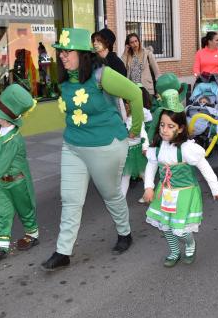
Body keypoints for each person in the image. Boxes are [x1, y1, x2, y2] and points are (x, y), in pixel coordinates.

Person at [42, 28, 144, 271]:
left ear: (83, 54)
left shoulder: (102, 75)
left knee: (110, 194)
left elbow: (135, 94)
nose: (63, 57)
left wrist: (136, 129)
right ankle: (63, 250)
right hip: (73, 146)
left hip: (105, 145)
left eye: (68, 52)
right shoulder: (65, 79)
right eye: (61, 53)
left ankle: (124, 233)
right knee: (70, 199)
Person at [142, 89, 218, 267]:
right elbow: (151, 165)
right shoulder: (157, 148)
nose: (164, 130)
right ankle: (173, 251)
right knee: (166, 227)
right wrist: (148, 186)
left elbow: (205, 167)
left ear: (180, 128)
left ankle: (190, 244)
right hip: (165, 192)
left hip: (185, 193)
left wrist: (216, 188)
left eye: (170, 126)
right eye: (162, 125)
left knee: (179, 229)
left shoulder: (187, 148)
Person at [0, 84, 39, 263]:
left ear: (4, 117)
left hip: (17, 182)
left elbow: (3, 164)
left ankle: (32, 233)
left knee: (25, 209)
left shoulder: (14, 139)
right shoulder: (3, 132)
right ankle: (2, 245)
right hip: (4, 184)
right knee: (4, 213)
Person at [119, 96, 149, 198]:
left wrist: (145, 147)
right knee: (125, 176)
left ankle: (148, 195)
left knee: (144, 174)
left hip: (138, 151)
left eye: (126, 106)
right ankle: (121, 200)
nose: (124, 108)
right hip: (127, 152)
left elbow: (143, 134)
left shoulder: (136, 120)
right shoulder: (122, 120)